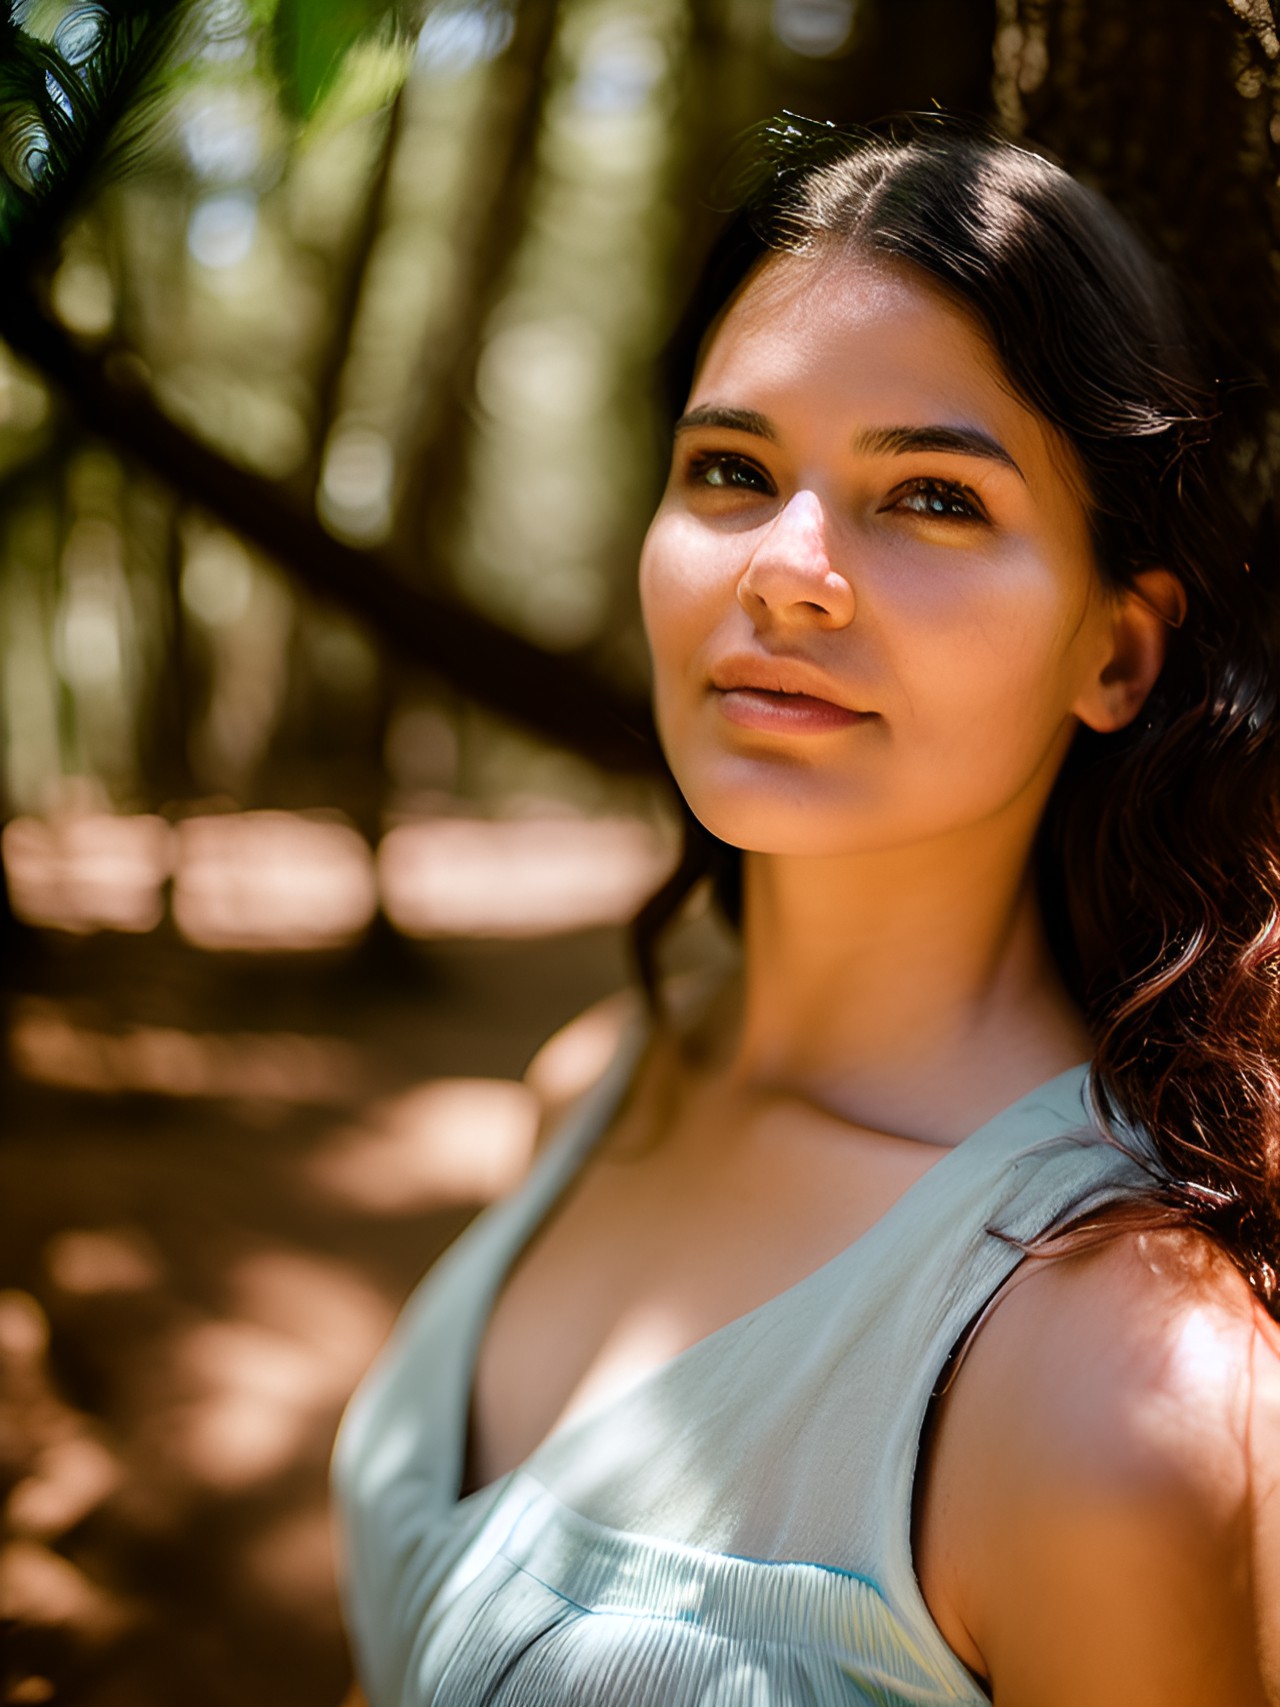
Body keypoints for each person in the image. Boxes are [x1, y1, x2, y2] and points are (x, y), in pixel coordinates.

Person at [332, 115, 1280, 1705]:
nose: (787, 570)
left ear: (1118, 652)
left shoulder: (1125, 1387)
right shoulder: (604, 1079)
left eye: (932, 498)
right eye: (731, 468)